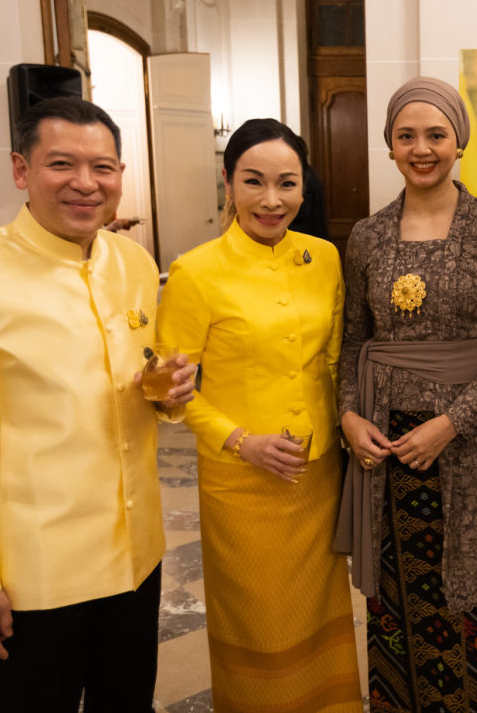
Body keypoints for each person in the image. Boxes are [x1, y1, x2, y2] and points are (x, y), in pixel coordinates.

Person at [0, 96, 196, 712]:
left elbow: (137, 383)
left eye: (103, 167)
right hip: (34, 574)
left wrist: (168, 394)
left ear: (121, 175)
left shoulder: (134, 262)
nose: (86, 183)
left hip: (136, 557)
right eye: (62, 164)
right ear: (22, 169)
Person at [336, 77, 477, 712]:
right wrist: (348, 415)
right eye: (406, 136)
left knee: (463, 597)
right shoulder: (367, 236)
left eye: (435, 135)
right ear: (389, 145)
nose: (421, 148)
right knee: (391, 603)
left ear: (459, 141)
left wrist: (450, 423)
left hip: (466, 450)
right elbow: (353, 342)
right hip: (384, 445)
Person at [156, 118, 361, 711]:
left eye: (287, 184)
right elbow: (169, 391)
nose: (272, 200)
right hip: (241, 482)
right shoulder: (196, 271)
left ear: (303, 187)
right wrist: (240, 440)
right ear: (228, 182)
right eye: (254, 181)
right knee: (258, 620)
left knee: (317, 610)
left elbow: (335, 358)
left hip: (315, 472)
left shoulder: (324, 257)